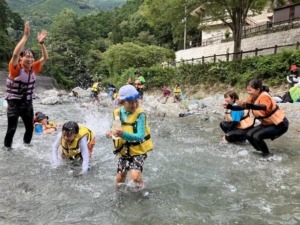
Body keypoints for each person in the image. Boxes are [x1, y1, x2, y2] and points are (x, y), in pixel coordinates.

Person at [3, 22, 48, 150]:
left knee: (29, 128)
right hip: (14, 103)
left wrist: (41, 43)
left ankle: (26, 147)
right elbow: (15, 55)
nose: (30, 59)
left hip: (27, 102)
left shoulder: (34, 67)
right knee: (12, 129)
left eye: (31, 57)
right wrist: (25, 36)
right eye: (27, 57)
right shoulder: (15, 68)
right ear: (22, 58)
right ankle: (7, 150)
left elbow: (45, 58)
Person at [106, 85, 153, 190]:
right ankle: (119, 199)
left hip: (138, 151)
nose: (134, 104)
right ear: (121, 103)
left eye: (136, 101)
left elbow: (140, 136)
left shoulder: (140, 114)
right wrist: (110, 132)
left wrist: (123, 134)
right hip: (123, 150)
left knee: (135, 177)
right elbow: (115, 127)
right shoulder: (118, 113)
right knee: (119, 178)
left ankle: (144, 191)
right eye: (130, 102)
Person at [226, 79, 289, 157]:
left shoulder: (265, 96)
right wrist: (230, 106)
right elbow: (242, 107)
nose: (248, 93)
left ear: (258, 90)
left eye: (250, 90)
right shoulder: (252, 97)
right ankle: (260, 151)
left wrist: (249, 105)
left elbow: (263, 107)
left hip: (280, 124)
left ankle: (267, 155)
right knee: (249, 134)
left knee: (257, 136)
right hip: (267, 123)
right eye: (247, 91)